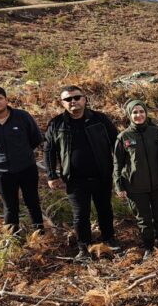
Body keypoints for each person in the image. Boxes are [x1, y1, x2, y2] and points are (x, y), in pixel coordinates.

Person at [45, 85, 118, 260]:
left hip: (102, 175)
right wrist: (51, 175)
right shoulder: (56, 124)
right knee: (80, 215)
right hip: (74, 179)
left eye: (76, 97)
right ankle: (84, 247)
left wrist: (119, 170)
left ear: (84, 99)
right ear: (62, 103)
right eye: (68, 99)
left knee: (105, 209)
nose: (73, 102)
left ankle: (109, 239)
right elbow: (49, 151)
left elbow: (116, 144)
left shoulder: (100, 120)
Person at [0, 86, 45, 234]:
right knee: (10, 206)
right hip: (2, 172)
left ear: (6, 100)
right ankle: (12, 237)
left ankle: (40, 235)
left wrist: (23, 153)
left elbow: (36, 138)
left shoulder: (22, 116)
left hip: (27, 168)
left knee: (33, 202)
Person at [113, 100, 158, 260]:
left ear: (146, 113)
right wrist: (118, 185)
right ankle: (149, 247)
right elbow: (117, 163)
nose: (139, 115)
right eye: (135, 112)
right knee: (143, 219)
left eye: (141, 111)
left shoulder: (155, 132)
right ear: (129, 115)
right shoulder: (123, 137)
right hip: (135, 187)